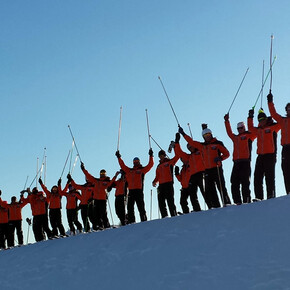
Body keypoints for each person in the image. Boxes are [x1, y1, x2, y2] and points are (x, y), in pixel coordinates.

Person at [179, 124, 231, 208]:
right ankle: (216, 205)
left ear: (211, 134)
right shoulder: (202, 146)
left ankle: (226, 202)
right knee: (211, 189)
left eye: (208, 135)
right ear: (203, 137)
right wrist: (183, 134)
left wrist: (220, 158)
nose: (207, 136)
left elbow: (227, 153)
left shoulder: (217, 143)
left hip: (216, 168)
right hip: (207, 170)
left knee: (221, 186)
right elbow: (191, 142)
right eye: (205, 135)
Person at [248, 108, 281, 200]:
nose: (261, 121)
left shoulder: (272, 127)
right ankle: (259, 197)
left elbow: (280, 122)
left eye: (263, 119)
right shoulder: (258, 130)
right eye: (259, 120)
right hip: (260, 156)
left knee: (269, 177)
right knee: (257, 177)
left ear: (266, 119)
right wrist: (250, 117)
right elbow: (250, 128)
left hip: (270, 155)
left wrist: (270, 106)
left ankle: (271, 195)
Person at [224, 113, 257, 204]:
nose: (240, 130)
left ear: (244, 128)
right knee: (234, 182)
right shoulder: (235, 138)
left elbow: (254, 131)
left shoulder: (249, 135)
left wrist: (250, 118)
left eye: (241, 128)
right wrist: (226, 121)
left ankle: (246, 200)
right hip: (236, 162)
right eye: (238, 128)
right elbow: (229, 133)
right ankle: (237, 201)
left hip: (245, 162)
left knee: (245, 182)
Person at [115, 148, 154, 223]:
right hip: (131, 191)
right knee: (130, 208)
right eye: (134, 162)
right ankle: (132, 222)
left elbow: (150, 165)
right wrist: (119, 157)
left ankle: (144, 220)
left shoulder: (142, 170)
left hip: (139, 190)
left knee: (141, 207)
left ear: (139, 162)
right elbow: (122, 165)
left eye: (137, 161)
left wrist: (151, 156)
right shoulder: (130, 171)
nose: (136, 163)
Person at [174, 133, 210, 211]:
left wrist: (184, 134)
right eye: (189, 148)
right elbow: (180, 153)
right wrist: (177, 142)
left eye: (191, 146)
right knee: (192, 193)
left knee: (204, 191)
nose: (190, 148)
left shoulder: (200, 151)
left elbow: (195, 142)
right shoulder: (189, 157)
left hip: (201, 173)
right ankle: (197, 209)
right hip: (193, 176)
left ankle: (211, 206)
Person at [267, 93, 290, 195]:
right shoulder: (282, 120)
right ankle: (288, 192)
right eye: (288, 109)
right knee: (285, 169)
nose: (289, 111)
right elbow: (273, 113)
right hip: (285, 148)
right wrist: (270, 102)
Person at [80, 164, 112, 230]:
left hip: (102, 199)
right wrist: (83, 169)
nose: (102, 174)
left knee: (103, 213)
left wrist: (110, 187)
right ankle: (100, 225)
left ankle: (106, 225)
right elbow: (88, 175)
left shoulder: (106, 181)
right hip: (96, 200)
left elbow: (112, 183)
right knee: (96, 214)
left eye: (104, 173)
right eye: (101, 173)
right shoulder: (96, 180)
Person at [152, 149, 178, 218]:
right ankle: (164, 216)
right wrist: (154, 181)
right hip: (161, 185)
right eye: (160, 156)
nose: (161, 157)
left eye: (162, 155)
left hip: (169, 183)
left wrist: (175, 146)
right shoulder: (158, 166)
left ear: (164, 155)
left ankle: (173, 215)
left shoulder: (169, 162)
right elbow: (157, 176)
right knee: (161, 201)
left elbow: (177, 156)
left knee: (170, 201)